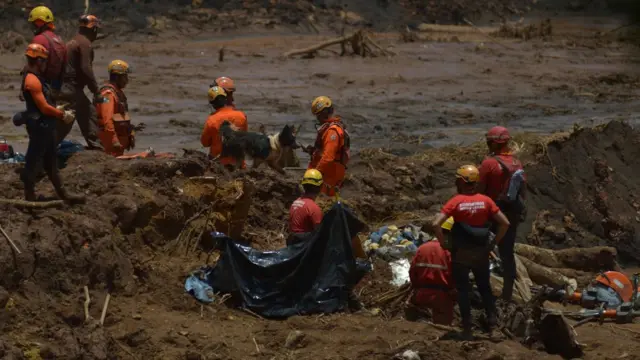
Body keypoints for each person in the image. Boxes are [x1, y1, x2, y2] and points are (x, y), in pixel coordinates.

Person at [432, 165, 510, 339]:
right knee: (485, 288)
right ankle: (493, 327)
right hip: (481, 252)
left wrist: (443, 243)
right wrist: (494, 242)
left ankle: (467, 329)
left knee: (463, 290)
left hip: (461, 254)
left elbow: (436, 224)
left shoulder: (456, 201)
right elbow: (505, 223)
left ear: (460, 181)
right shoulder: (486, 201)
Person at [17, 43, 83, 204]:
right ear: (38, 61)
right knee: (33, 161)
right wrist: (61, 114)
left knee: (50, 162)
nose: (46, 64)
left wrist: (56, 109)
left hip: (46, 125)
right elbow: (44, 107)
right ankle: (29, 196)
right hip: (40, 126)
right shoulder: (32, 80)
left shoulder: (37, 78)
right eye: (44, 61)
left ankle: (63, 194)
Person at [478, 126, 526, 302]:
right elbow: (523, 190)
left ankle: (483, 290)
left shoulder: (488, 164)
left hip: (492, 213)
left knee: (481, 249)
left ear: (491, 143)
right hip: (511, 213)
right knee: (507, 252)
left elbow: (479, 191)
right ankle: (508, 293)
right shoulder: (517, 163)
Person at [57, 14, 103, 149]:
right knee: (66, 123)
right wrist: (96, 90)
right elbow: (85, 68)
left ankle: (96, 146)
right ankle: (45, 150)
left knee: (88, 113)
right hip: (70, 88)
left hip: (66, 86)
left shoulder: (73, 41)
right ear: (93, 30)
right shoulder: (85, 44)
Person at [407, 218, 455, 325]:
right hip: (441, 297)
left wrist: (416, 287)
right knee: (442, 329)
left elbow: (412, 272)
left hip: (421, 295)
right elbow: (454, 275)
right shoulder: (448, 251)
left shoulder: (421, 248)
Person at [306, 96, 350, 197]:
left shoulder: (332, 132)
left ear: (324, 113)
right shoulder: (329, 129)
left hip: (328, 177)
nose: (318, 119)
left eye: (318, 116)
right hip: (326, 175)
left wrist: (314, 175)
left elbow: (328, 158)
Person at [95, 60, 137, 156]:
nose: (127, 80)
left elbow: (124, 117)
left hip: (119, 143)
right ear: (117, 77)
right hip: (110, 144)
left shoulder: (118, 93)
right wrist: (114, 140)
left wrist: (131, 135)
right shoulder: (108, 95)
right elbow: (107, 120)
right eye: (125, 77)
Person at [200, 85, 248, 169]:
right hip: (239, 164)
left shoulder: (211, 120)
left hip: (219, 166)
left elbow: (205, 143)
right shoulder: (241, 116)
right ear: (226, 99)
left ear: (212, 104)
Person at [25, 6, 66, 92]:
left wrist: (23, 88)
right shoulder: (59, 40)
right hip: (56, 86)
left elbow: (32, 67)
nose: (32, 26)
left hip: (41, 86)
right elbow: (64, 67)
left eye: (33, 23)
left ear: (39, 22)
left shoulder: (39, 39)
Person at [288, 169, 324, 245]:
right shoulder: (314, 208)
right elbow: (320, 234)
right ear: (320, 187)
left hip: (292, 243)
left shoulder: (295, 202)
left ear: (304, 186)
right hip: (303, 247)